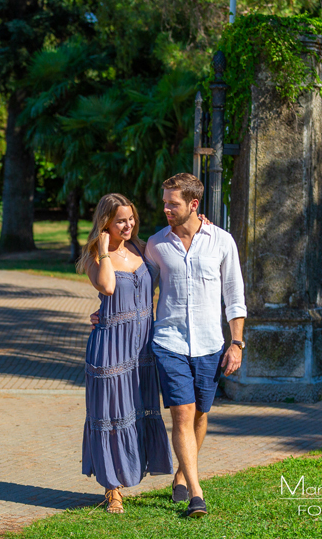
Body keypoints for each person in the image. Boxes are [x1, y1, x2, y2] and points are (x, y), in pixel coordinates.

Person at [91, 173, 246, 518]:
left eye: (172, 203)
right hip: (168, 341)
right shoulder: (156, 245)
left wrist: (236, 343)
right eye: (164, 202)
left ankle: (182, 472)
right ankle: (196, 493)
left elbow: (235, 298)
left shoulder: (222, 241)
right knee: (181, 412)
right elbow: (138, 287)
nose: (165, 209)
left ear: (193, 205)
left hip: (210, 343)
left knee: (202, 413)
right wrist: (104, 310)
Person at [77, 193, 173, 514]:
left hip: (142, 347)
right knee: (111, 415)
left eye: (131, 218)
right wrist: (104, 250)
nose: (128, 225)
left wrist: (202, 225)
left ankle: (133, 472)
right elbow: (106, 287)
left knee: (138, 409)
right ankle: (112, 489)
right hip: (111, 348)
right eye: (121, 220)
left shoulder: (141, 247)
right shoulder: (94, 256)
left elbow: (172, 246)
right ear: (106, 222)